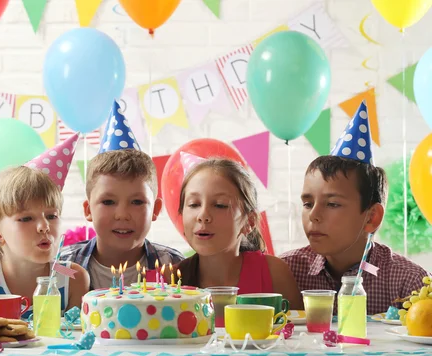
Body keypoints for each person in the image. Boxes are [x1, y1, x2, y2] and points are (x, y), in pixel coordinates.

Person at [281, 101, 430, 314]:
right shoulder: (286, 271)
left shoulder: (408, 281)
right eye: (307, 203)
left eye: (332, 204)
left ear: (371, 218)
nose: (313, 215)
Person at [0, 134, 89, 317]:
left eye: (52, 216)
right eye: (26, 218)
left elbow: (75, 340)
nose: (44, 226)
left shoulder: (73, 276)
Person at [61, 101, 184, 290]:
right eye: (108, 202)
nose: (122, 214)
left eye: (137, 201)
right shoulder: (62, 267)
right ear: (88, 209)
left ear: (156, 209)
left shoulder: (175, 266)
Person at [175, 153, 302, 309]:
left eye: (220, 205)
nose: (203, 216)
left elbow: (299, 331)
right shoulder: (169, 280)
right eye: (194, 204)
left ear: (249, 222)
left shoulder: (274, 272)